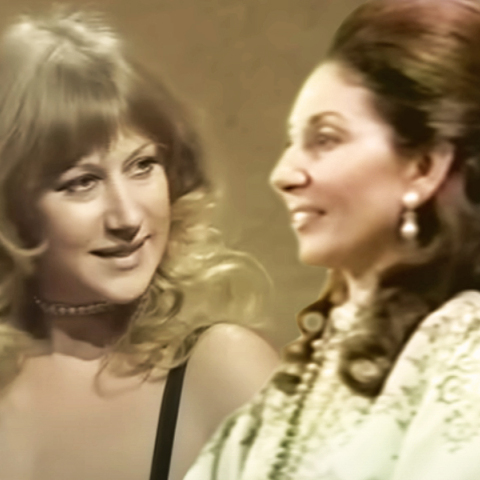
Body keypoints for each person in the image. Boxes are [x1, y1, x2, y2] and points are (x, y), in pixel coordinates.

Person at [184, 0, 480, 479]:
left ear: (423, 167)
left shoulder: (466, 353)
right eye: (291, 142)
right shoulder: (307, 372)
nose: (284, 175)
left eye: (325, 139)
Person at [0, 8, 279, 480]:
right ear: (11, 208)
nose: (128, 217)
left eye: (143, 166)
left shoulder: (223, 373)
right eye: (82, 182)